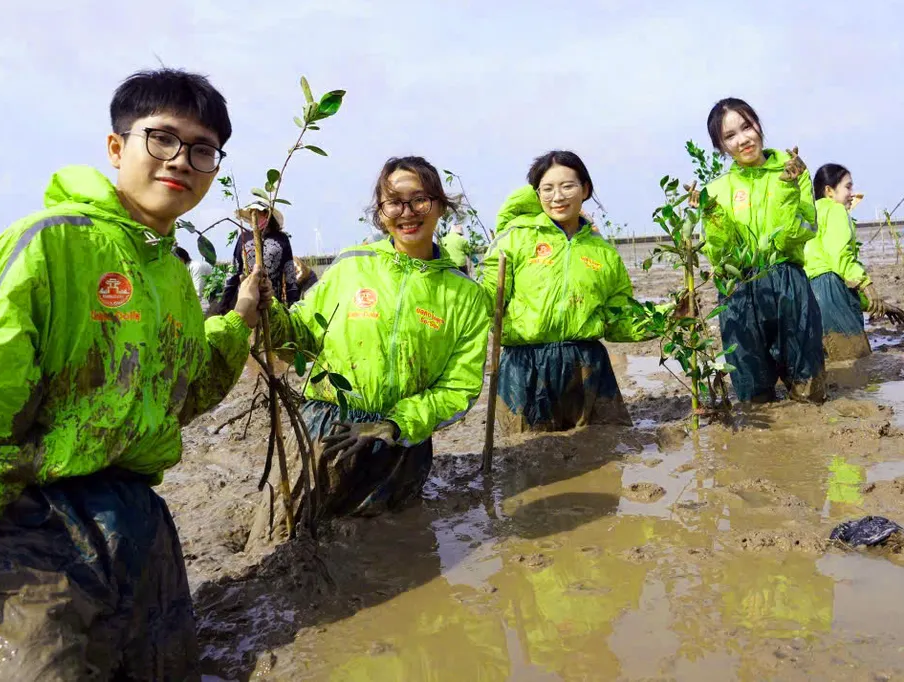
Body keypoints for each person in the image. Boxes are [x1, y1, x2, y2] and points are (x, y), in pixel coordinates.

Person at [0, 68, 271, 679]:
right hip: (28, 523)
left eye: (202, 150)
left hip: (136, 520)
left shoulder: (172, 275)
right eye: (161, 138)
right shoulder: (49, 244)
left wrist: (238, 322)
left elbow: (180, 392)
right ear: (116, 147)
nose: (180, 161)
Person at [257, 156, 489, 532]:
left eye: (419, 200)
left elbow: (458, 387)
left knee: (390, 543)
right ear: (380, 212)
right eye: (394, 202)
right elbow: (301, 337)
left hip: (399, 446)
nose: (407, 212)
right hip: (328, 429)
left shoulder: (465, 295)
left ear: (440, 206)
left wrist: (394, 425)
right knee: (288, 531)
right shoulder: (351, 266)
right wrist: (267, 313)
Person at [479, 150, 653, 434]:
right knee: (528, 453)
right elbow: (487, 300)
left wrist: (666, 318)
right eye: (547, 189)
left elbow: (619, 319)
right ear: (536, 194)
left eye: (567, 186)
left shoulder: (604, 253)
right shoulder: (515, 239)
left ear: (585, 189)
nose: (557, 197)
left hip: (586, 365)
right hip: (525, 367)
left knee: (602, 447)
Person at [696, 98, 825, 404]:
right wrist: (713, 214)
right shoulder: (715, 190)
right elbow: (721, 257)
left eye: (747, 126)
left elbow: (797, 236)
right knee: (754, 397)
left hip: (787, 283)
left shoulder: (793, 170)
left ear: (758, 124)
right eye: (730, 136)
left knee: (808, 387)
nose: (743, 139)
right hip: (738, 290)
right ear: (721, 146)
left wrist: (786, 188)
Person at [804, 164, 884, 360]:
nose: (852, 193)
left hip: (808, 294)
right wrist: (866, 284)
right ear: (829, 191)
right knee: (857, 360)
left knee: (830, 365)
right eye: (848, 187)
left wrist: (874, 304)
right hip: (829, 290)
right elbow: (840, 256)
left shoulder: (810, 213)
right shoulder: (836, 210)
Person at [208, 203, 299, 315]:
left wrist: (293, 306)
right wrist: (223, 304)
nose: (253, 218)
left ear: (266, 214)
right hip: (246, 302)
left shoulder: (281, 239)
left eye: (256, 213)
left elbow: (290, 275)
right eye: (251, 214)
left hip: (272, 302)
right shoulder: (244, 237)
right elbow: (234, 271)